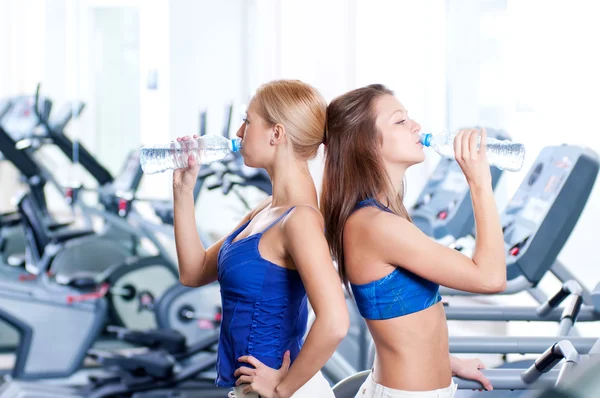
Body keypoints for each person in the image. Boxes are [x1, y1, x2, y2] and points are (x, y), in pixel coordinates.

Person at [320, 84, 507, 397]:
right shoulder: (376, 225)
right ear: (365, 144)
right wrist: (479, 182)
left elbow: (401, 321)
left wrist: (443, 361)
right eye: (400, 121)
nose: (416, 126)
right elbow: (491, 278)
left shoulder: (381, 216)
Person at [173, 80, 349, 398]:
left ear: (276, 133)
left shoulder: (301, 219)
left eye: (248, 120)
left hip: (284, 390)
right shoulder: (267, 209)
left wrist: (283, 389)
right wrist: (183, 190)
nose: (239, 132)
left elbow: (335, 321)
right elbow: (193, 271)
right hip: (252, 389)